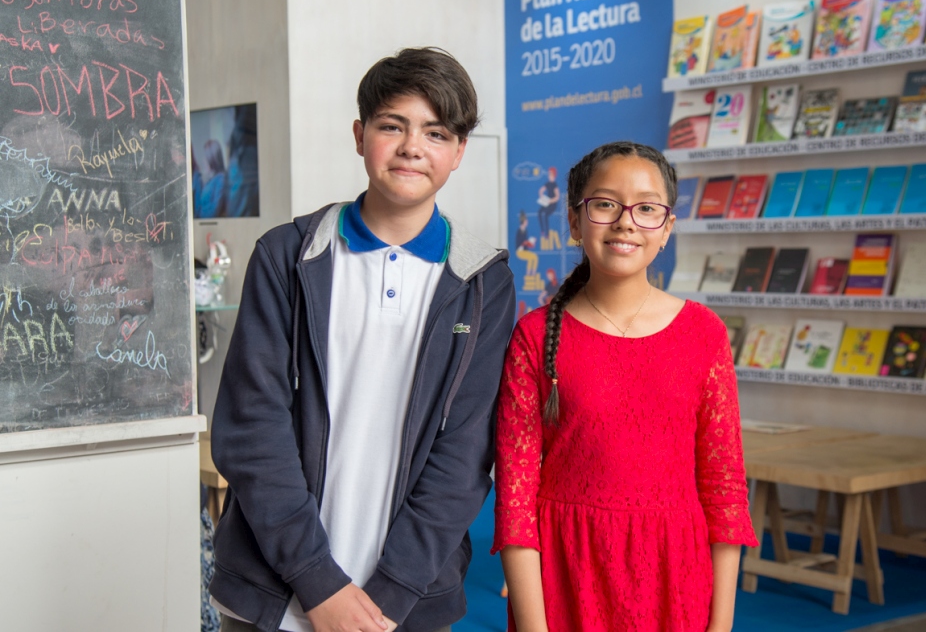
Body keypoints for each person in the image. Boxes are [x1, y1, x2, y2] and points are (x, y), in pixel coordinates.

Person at [209, 47, 516, 632]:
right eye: (391, 126)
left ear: (458, 152)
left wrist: (390, 597)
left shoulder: (483, 281)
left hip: (406, 602)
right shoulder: (288, 257)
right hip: (275, 597)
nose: (411, 147)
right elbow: (252, 430)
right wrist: (321, 586)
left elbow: (466, 454)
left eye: (435, 132)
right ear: (359, 134)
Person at [492, 141, 757, 632]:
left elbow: (725, 495)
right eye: (605, 204)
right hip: (569, 572)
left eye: (647, 208)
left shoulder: (704, 334)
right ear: (574, 221)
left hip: (676, 574)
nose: (626, 221)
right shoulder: (534, 337)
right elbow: (515, 504)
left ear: (667, 229)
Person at [198, 139, 228, 218]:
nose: (203, 161)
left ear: (212, 159)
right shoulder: (210, 180)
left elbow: (215, 210)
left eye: (205, 157)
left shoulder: (221, 180)